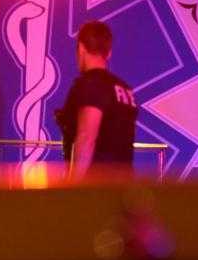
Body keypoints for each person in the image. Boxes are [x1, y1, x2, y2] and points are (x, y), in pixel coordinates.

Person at [57, 20, 138, 181]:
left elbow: (87, 138)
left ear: (81, 48)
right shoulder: (126, 90)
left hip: (96, 188)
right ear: (108, 53)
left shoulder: (91, 85)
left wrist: (73, 187)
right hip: (123, 186)